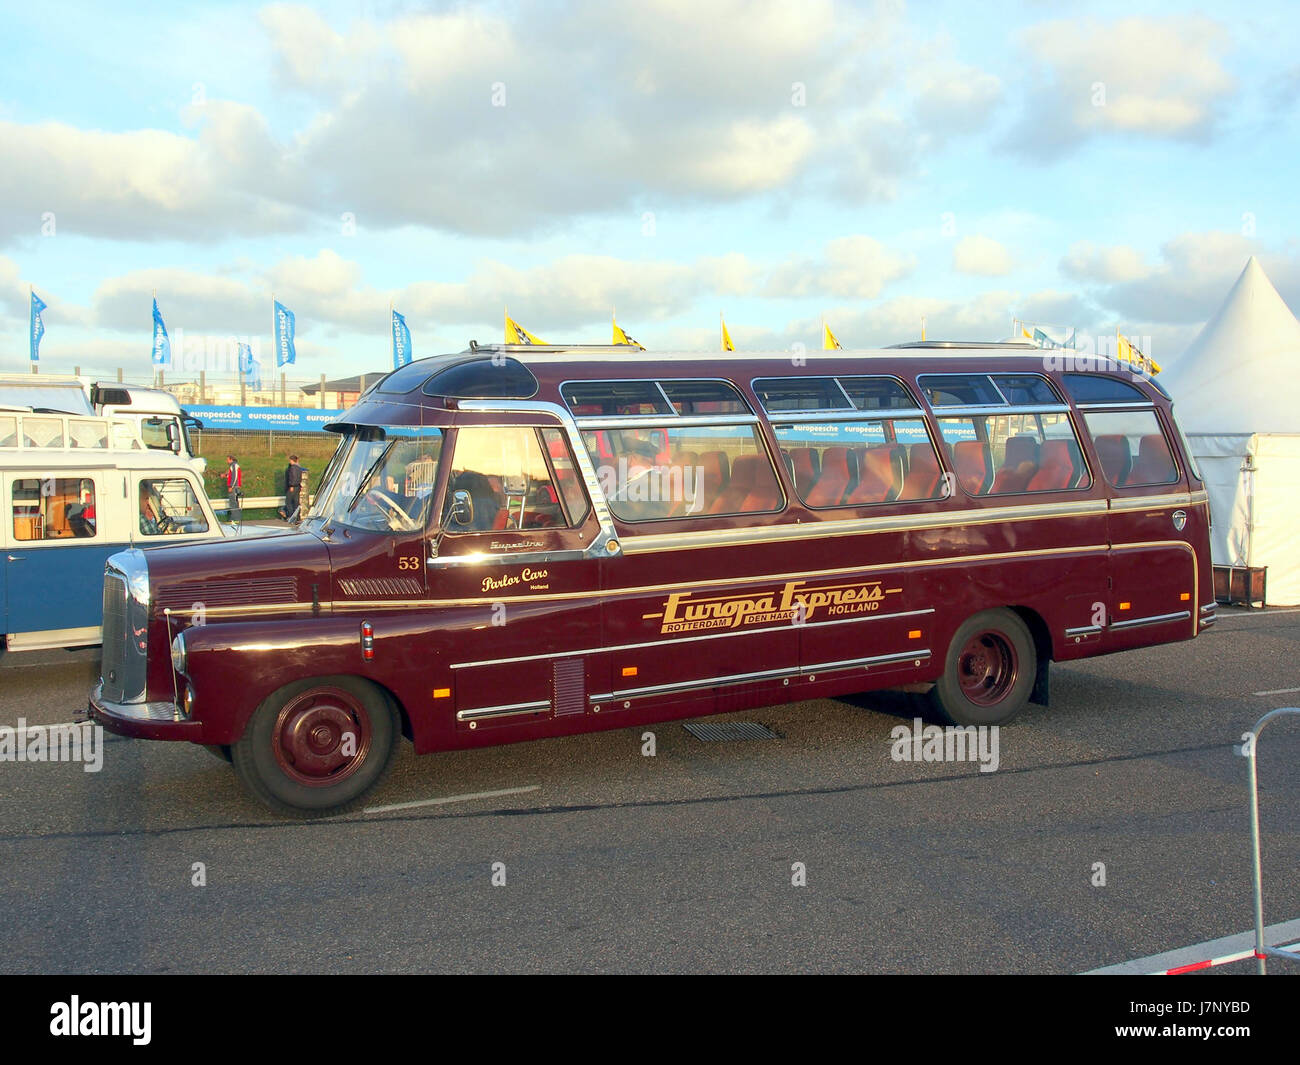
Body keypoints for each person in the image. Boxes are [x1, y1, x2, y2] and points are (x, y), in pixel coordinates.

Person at [280, 454, 304, 521]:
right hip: (298, 486)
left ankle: (291, 516)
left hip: (292, 486)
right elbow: (299, 477)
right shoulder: (299, 467)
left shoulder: (292, 468)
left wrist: (291, 486)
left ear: (291, 460)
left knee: (288, 501)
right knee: (296, 502)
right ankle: (297, 517)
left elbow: (292, 477)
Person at [223, 454, 243, 521]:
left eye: (227, 459)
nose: (227, 461)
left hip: (234, 487)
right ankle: (236, 518)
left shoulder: (234, 465)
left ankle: (235, 519)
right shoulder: (233, 466)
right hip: (235, 486)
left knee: (233, 503)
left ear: (231, 459)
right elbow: (232, 476)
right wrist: (226, 475)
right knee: (235, 502)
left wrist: (231, 486)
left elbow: (235, 477)